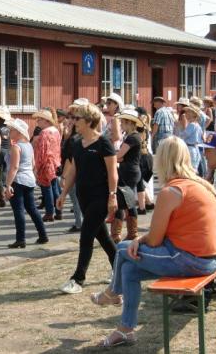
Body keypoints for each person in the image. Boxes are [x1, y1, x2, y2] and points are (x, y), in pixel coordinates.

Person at [90, 136, 216, 348]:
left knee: (123, 249)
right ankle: (126, 330)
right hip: (210, 258)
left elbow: (154, 240)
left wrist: (138, 240)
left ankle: (112, 294)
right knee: (128, 270)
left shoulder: (171, 191)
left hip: (191, 259)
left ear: (161, 160)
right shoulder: (200, 184)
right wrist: (140, 239)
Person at [56, 103, 118, 294]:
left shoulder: (103, 143)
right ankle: (121, 268)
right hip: (84, 197)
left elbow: (112, 173)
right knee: (104, 237)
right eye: (73, 118)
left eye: (77, 119)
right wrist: (64, 193)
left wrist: (112, 197)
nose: (73, 122)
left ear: (89, 122)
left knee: (86, 235)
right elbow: (73, 170)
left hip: (100, 197)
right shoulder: (76, 143)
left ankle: (78, 279)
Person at [4, 118, 48, 248]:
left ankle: (20, 239)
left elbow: (14, 167)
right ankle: (43, 234)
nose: (9, 132)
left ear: (18, 132)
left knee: (19, 211)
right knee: (32, 209)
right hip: (29, 180)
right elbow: (33, 164)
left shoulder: (16, 147)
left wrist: (8, 185)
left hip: (18, 180)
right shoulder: (28, 145)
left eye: (11, 130)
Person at [111, 109, 143, 243]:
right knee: (126, 202)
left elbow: (118, 155)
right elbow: (120, 157)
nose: (121, 125)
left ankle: (120, 234)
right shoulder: (132, 136)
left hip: (129, 172)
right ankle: (129, 233)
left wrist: (119, 158)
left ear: (130, 123)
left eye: (123, 122)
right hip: (129, 170)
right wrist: (120, 158)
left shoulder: (132, 137)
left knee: (123, 202)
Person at [60, 100, 86, 233]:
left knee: (76, 199)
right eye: (68, 117)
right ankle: (81, 222)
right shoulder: (76, 136)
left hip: (73, 173)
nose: (68, 119)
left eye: (71, 117)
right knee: (78, 199)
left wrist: (64, 177)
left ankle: (79, 224)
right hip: (78, 171)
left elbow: (70, 160)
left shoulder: (75, 139)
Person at [33, 109, 62, 222]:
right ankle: (58, 211)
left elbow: (42, 152)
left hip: (46, 163)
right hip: (55, 162)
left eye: (39, 120)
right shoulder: (56, 130)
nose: (37, 122)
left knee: (47, 189)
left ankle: (49, 213)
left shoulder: (44, 133)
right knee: (54, 188)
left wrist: (37, 166)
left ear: (45, 120)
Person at [135, 107, 154, 215]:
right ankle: (148, 203)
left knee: (140, 182)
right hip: (146, 157)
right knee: (141, 182)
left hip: (142, 157)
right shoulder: (146, 127)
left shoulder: (140, 127)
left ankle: (143, 207)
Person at [176, 104, 203, 172]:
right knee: (194, 167)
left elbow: (184, 135)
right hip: (195, 147)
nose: (186, 114)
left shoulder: (191, 125)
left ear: (192, 114)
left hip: (190, 147)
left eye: (188, 112)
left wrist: (180, 129)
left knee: (190, 168)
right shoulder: (197, 125)